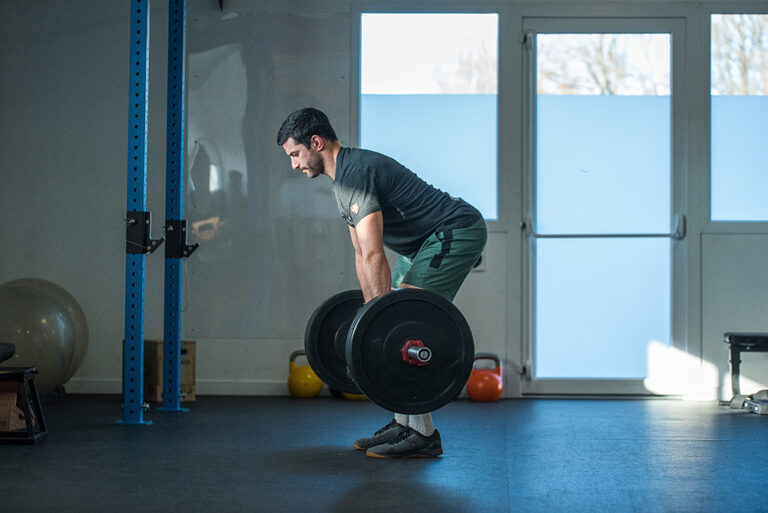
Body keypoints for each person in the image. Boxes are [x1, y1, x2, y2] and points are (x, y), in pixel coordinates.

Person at [277, 107, 487, 458]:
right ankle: (404, 422)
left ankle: (423, 435)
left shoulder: (356, 174)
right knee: (393, 322)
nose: (294, 165)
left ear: (316, 142)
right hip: (422, 245)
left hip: (455, 229)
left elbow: (375, 255)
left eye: (295, 154)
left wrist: (380, 323)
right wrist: (370, 321)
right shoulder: (343, 184)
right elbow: (361, 255)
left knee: (406, 323)